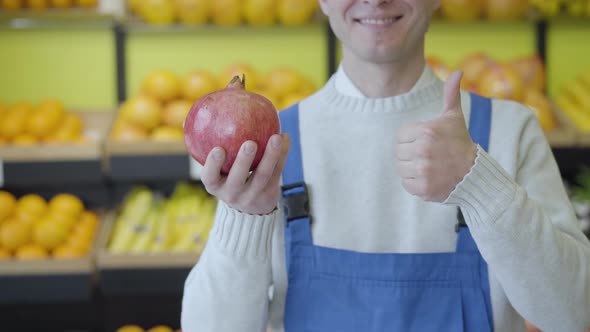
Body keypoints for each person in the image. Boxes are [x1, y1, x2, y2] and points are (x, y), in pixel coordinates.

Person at [181, 0, 590, 331]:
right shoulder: (272, 145)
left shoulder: (509, 130)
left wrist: (479, 182)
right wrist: (245, 217)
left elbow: (574, 314)